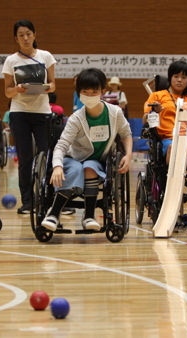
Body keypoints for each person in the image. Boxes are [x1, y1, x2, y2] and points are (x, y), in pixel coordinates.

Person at [40, 68, 133, 231]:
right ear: (79, 93)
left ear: (102, 91)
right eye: (85, 92)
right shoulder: (76, 118)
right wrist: (57, 166)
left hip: (97, 160)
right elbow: (61, 146)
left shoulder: (115, 113)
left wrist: (129, 155)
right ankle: (53, 213)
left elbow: (126, 134)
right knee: (76, 169)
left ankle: (89, 216)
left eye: (94, 91)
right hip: (73, 158)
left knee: (90, 167)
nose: (89, 96)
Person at [2, 19, 57, 214]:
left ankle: (49, 198)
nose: (25, 38)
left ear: (34, 35)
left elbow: (53, 85)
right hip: (20, 113)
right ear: (16, 39)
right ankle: (27, 200)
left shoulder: (46, 56)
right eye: (21, 35)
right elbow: (7, 92)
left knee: (47, 155)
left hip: (42, 112)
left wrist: (46, 88)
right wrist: (17, 89)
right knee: (25, 158)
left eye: (28, 34)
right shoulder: (11, 60)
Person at [142, 61, 187, 189]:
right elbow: (144, 119)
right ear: (170, 78)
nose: (179, 80)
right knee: (171, 148)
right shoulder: (157, 96)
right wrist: (154, 111)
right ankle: (171, 188)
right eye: (176, 76)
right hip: (169, 138)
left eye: (184, 77)